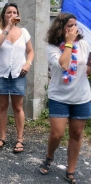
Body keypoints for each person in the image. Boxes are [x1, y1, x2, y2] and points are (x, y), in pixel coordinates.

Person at [39, 13, 91, 184]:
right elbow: (64, 64)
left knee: (76, 134)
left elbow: (87, 68)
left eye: (75, 25)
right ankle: (49, 156)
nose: (73, 29)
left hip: (81, 97)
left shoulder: (83, 44)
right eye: (69, 26)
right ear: (60, 27)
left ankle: (71, 170)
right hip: (59, 97)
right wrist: (69, 42)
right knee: (57, 134)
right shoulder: (52, 48)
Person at [0, 3, 34, 153]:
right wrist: (8, 27)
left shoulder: (24, 32)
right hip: (0, 74)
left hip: (18, 74)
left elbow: (30, 51)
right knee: (2, 107)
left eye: (14, 12)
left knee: (18, 107)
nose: (12, 14)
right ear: (4, 15)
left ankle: (20, 139)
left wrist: (28, 64)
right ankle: (2, 137)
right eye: (9, 12)